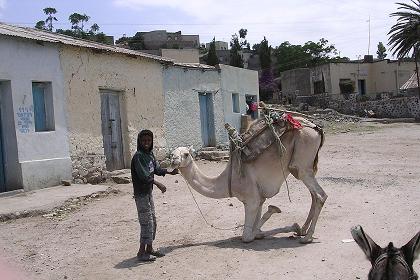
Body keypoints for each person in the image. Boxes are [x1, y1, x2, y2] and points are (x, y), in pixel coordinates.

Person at [131, 129, 178, 262]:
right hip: (141, 194)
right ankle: (141, 252)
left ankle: (149, 248)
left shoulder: (150, 154)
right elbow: (144, 176)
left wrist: (170, 172)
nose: (146, 143)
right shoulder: (138, 157)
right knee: (146, 222)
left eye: (149, 140)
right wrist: (158, 184)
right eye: (144, 140)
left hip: (148, 193)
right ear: (140, 142)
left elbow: (155, 169)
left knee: (153, 220)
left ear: (151, 142)